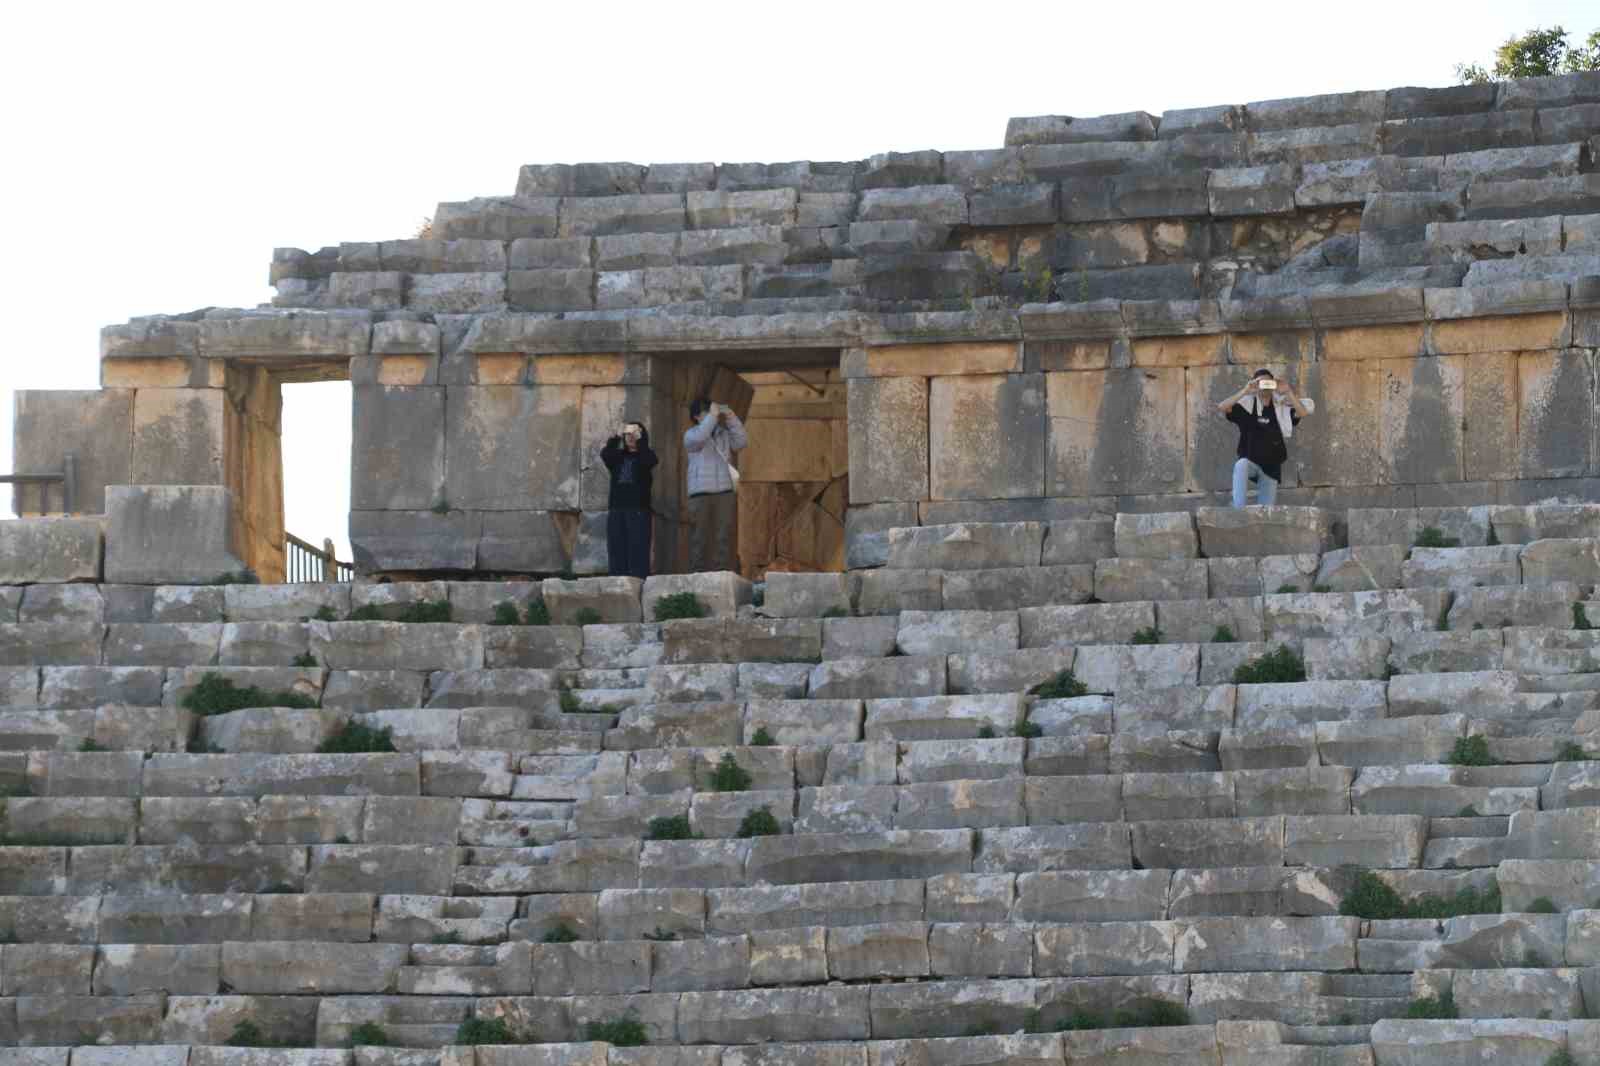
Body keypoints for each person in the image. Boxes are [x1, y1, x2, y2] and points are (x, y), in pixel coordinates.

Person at [1217, 368, 1314, 508]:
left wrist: (1288, 391)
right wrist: (1246, 390)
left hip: (1271, 468)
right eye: (1261, 383)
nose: (1265, 386)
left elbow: (1302, 413)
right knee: (1241, 465)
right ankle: (1238, 510)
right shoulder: (1247, 406)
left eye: (1268, 382)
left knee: (1267, 512)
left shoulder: (1280, 407)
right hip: (1250, 461)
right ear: (1256, 385)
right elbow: (1222, 407)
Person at [683, 397, 748, 572]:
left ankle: (722, 571)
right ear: (696, 416)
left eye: (712, 413)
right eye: (706, 413)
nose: (712, 417)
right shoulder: (691, 435)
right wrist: (712, 416)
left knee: (723, 534)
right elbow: (700, 438)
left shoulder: (723, 434)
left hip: (724, 490)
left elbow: (742, 442)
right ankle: (697, 572)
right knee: (699, 536)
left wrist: (730, 415)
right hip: (700, 492)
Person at [600, 421, 657, 579]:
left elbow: (650, 461)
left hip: (638, 510)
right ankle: (617, 586)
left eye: (634, 434)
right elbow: (605, 454)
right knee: (616, 548)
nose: (630, 437)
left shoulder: (646, 455)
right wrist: (616, 436)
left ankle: (639, 585)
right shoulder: (617, 457)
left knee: (638, 550)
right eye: (628, 434)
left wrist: (640, 441)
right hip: (617, 509)